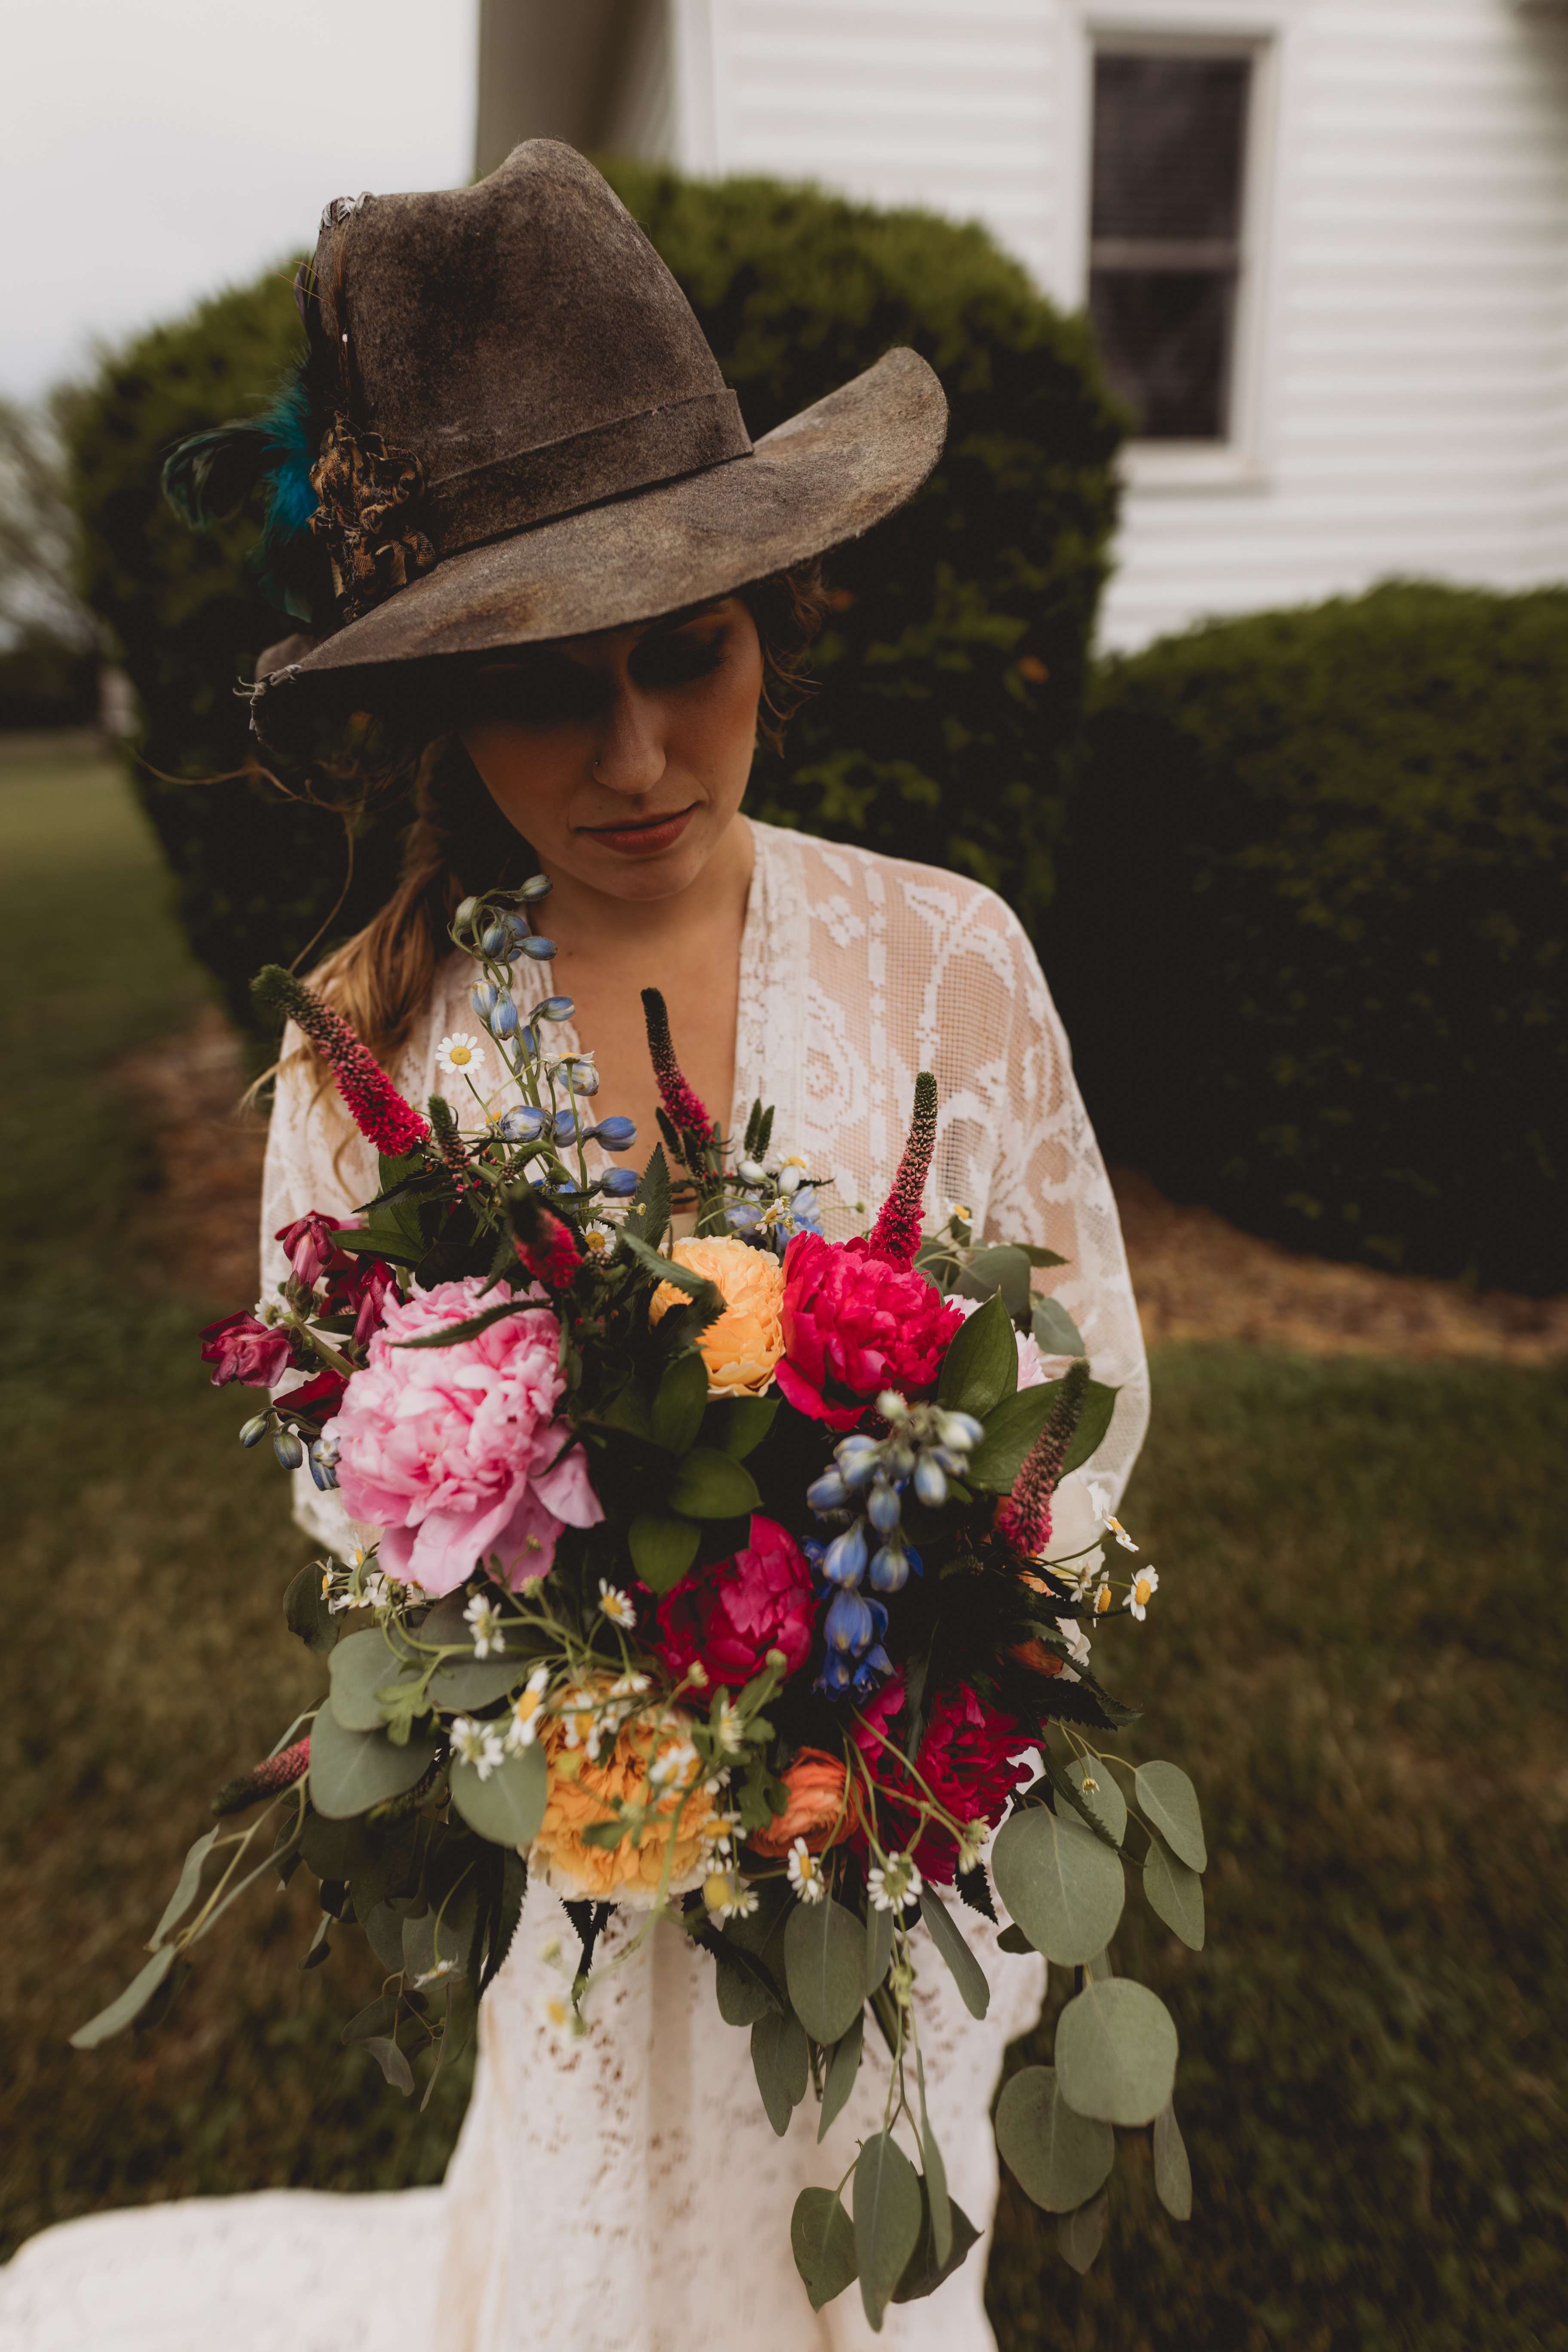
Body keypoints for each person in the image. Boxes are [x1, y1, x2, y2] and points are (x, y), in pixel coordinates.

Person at [3, 142, 1148, 2351]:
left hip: (895, 1808)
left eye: (684, 655)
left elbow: (1082, 1382)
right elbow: (369, 1512)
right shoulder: (377, 1051)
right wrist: (612, 1694)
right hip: (605, 1840)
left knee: (874, 2254)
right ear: (443, 708)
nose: (635, 751)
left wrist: (903, 1678)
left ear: (773, 619)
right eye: (547, 689)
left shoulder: (949, 967)